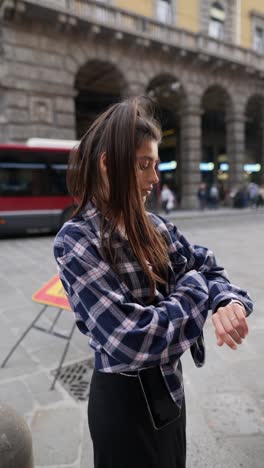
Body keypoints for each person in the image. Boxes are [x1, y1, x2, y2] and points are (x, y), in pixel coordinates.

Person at [54, 97, 253, 468]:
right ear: (108, 165)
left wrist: (228, 301)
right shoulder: (76, 240)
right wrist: (197, 289)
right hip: (122, 406)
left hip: (170, 393)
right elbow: (131, 338)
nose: (154, 178)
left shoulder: (156, 226)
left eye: (155, 165)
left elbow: (211, 269)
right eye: (144, 165)